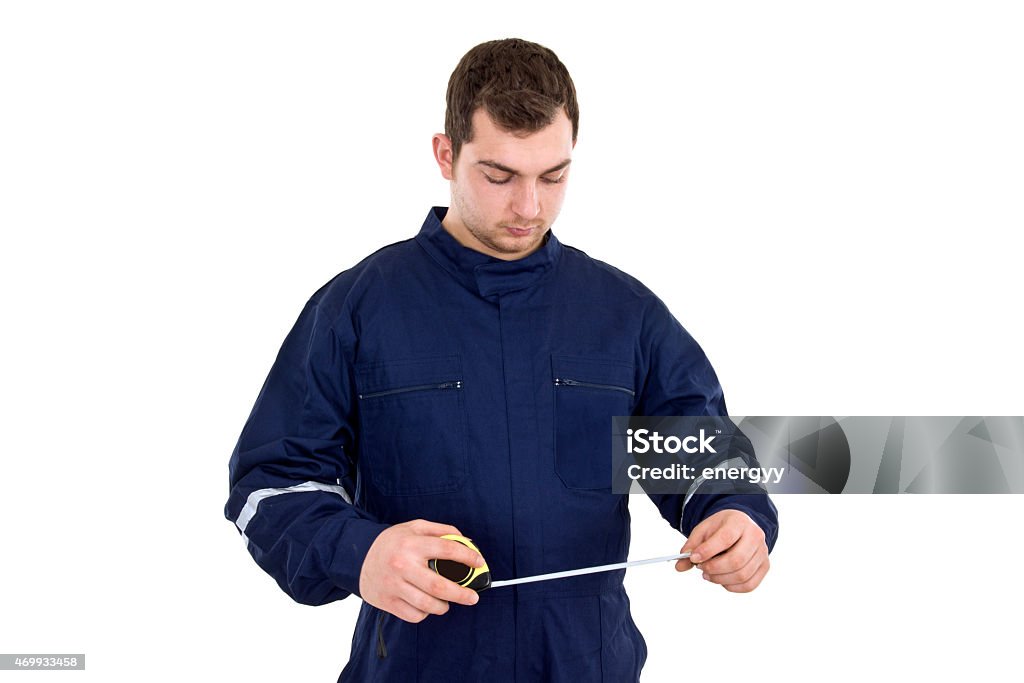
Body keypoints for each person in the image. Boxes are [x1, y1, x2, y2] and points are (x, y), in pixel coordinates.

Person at [224, 38, 778, 681]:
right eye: (499, 176)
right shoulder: (359, 307)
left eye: (553, 176)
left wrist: (733, 514)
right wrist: (361, 551)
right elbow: (270, 486)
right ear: (445, 154)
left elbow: (697, 448)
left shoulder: (623, 315)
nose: (529, 207)